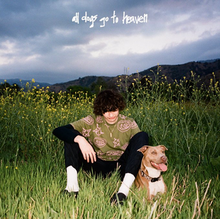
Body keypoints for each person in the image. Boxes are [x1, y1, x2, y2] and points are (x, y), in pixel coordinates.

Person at [53, 89, 149, 204]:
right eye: (106, 111)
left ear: (119, 107)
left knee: (142, 136)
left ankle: (123, 192)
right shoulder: (91, 120)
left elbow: (138, 148)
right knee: (72, 136)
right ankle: (72, 189)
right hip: (95, 164)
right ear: (100, 110)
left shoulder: (129, 122)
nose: (111, 115)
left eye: (114, 110)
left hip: (120, 167)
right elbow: (58, 130)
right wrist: (80, 139)